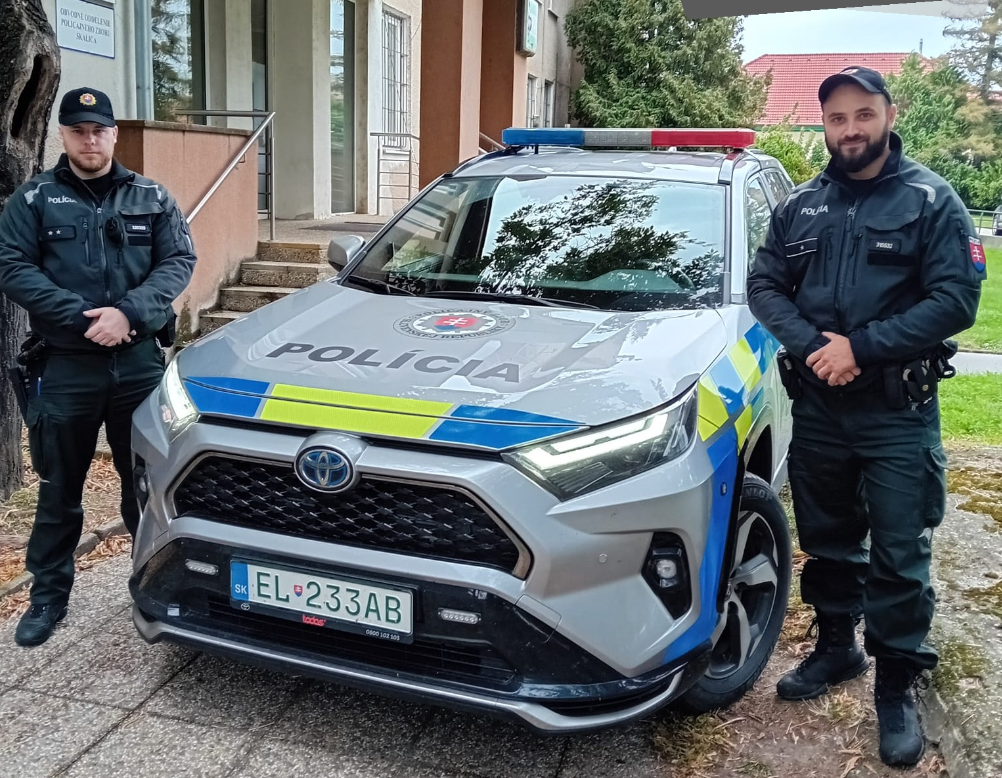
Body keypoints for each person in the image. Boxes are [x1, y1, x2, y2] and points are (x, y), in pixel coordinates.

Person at [747, 66, 985, 768]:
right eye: (836, 118)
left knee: (901, 554)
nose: (850, 129)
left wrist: (863, 348)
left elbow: (956, 300)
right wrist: (818, 347)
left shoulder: (930, 200)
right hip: (820, 406)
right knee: (829, 537)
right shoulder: (803, 206)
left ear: (887, 113)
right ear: (824, 126)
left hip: (896, 413)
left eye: (862, 115)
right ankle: (836, 649)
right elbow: (765, 284)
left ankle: (897, 685)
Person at [0, 87, 197, 648]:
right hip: (66, 366)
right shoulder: (34, 199)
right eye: (79, 130)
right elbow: (11, 265)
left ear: (114, 133)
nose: (91, 139)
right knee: (59, 487)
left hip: (137, 364)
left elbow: (178, 261)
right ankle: (48, 596)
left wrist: (129, 313)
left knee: (146, 485)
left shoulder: (152, 197)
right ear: (63, 135)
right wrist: (85, 318)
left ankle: (152, 586)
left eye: (100, 129)